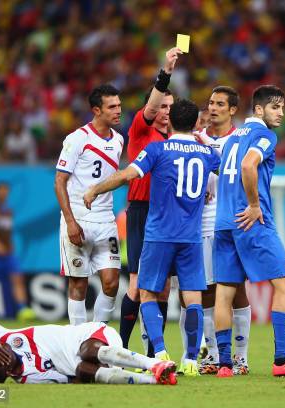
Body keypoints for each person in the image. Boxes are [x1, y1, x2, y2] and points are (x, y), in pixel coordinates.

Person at [84, 98, 220, 377]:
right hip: (191, 238)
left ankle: (158, 352)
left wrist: (95, 189)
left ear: (170, 121)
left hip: (159, 235)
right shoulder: (208, 155)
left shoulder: (156, 150)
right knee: (192, 297)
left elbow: (126, 176)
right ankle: (192, 359)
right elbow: (227, 173)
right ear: (195, 123)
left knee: (146, 293)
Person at [213, 85, 285, 378]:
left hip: (224, 222)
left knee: (225, 293)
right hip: (251, 221)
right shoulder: (265, 136)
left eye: (282, 108)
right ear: (258, 109)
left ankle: (224, 365)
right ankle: (283, 360)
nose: (281, 113)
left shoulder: (233, 138)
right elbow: (249, 166)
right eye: (275, 107)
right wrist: (254, 204)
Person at [119, 47, 180, 353]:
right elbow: (153, 102)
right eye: (160, 105)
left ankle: (155, 351)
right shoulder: (141, 131)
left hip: (167, 215)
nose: (164, 110)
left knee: (165, 287)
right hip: (142, 213)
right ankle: (121, 348)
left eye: (169, 106)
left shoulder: (178, 140)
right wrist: (165, 73)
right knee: (137, 284)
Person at [0, 299, 176, 385]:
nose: (4, 354)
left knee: (87, 351)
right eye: (2, 362)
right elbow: (69, 380)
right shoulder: (29, 377)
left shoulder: (1, 337)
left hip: (91, 336)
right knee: (83, 370)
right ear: (6, 373)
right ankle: (155, 380)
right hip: (98, 363)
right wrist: (90, 376)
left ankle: (154, 365)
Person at [190, 86, 252, 376]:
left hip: (230, 223)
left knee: (236, 290)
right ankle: (213, 355)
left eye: (220, 104)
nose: (212, 108)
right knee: (206, 292)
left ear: (233, 110)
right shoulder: (196, 140)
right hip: (201, 225)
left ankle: (240, 357)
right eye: (211, 103)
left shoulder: (241, 140)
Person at [54, 84, 124, 325]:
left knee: (112, 282)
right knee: (79, 282)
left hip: (106, 220)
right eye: (112, 106)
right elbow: (60, 181)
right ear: (96, 110)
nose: (118, 110)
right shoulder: (77, 139)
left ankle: (97, 337)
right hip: (79, 219)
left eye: (119, 105)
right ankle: (77, 340)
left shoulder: (118, 140)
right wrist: (71, 222)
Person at [0, 182, 35, 321]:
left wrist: (10, 243)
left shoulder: (8, 209)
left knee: (17, 278)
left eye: (6, 190)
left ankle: (22, 309)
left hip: (8, 252)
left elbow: (6, 229)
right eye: (2, 190)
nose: (4, 192)